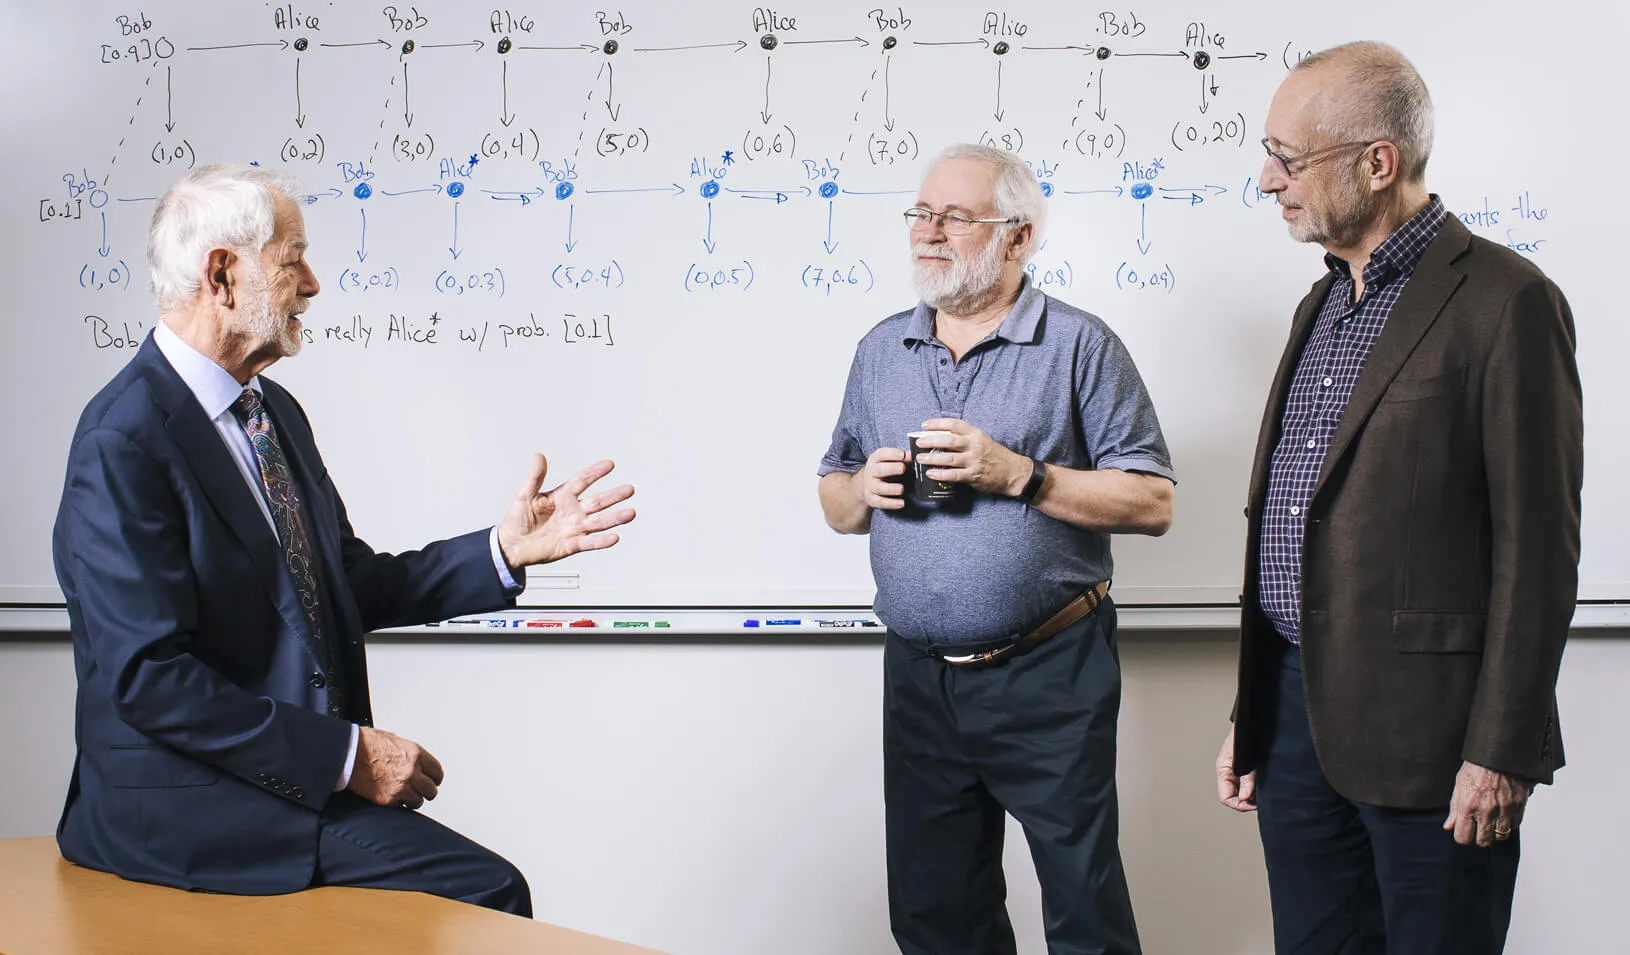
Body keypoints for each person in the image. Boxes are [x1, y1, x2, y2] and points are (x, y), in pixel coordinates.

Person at [52, 164, 636, 915]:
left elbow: (341, 585)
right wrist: (348, 757)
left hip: (270, 781)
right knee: (489, 891)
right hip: (181, 807)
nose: (314, 283)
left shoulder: (274, 413)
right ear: (222, 276)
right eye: (293, 258)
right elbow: (146, 678)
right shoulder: (122, 439)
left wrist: (503, 550)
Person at [1214, 42, 1582, 954]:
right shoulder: (1322, 304)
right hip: (1296, 727)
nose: (1268, 179)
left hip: (1437, 739)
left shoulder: (1507, 301)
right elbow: (1297, 519)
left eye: (1288, 158)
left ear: (1377, 163)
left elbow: (1538, 549)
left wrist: (1502, 749)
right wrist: (1253, 712)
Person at [817, 143, 1176, 955]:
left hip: (1049, 670)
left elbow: (1154, 501)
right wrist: (860, 490)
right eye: (921, 213)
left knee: (1082, 906)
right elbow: (834, 496)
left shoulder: (1082, 346)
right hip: (917, 676)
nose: (928, 232)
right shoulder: (881, 349)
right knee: (937, 913)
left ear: (1018, 237)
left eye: (954, 217)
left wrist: (1017, 473)